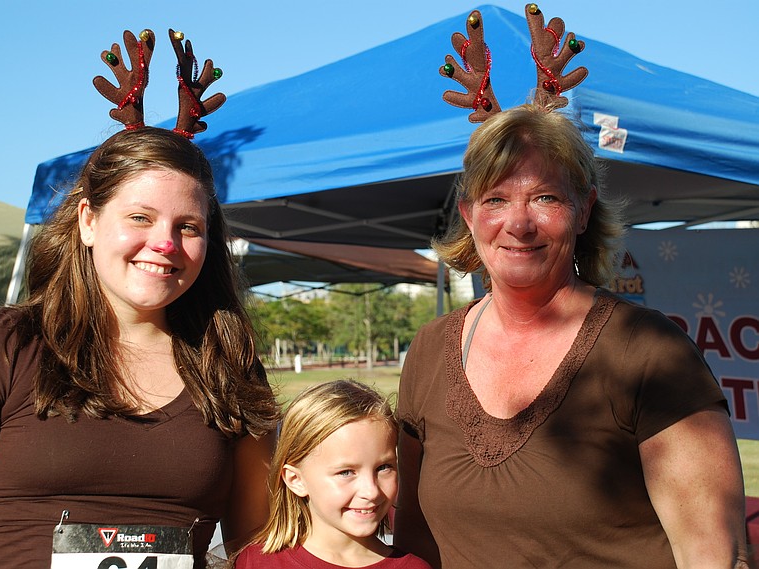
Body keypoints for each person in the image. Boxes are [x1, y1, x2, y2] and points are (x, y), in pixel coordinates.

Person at [393, 104, 748, 568]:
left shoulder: (646, 351)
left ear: (584, 211)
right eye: (495, 199)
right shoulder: (430, 349)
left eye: (545, 198)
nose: (518, 224)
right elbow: (411, 538)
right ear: (469, 215)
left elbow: (716, 555)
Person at [0, 126, 280, 568]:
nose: (165, 243)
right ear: (88, 220)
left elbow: (255, 552)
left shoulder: (230, 369)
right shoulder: (0, 349)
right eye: (140, 218)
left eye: (188, 226)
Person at [233, 380, 431, 569]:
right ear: (296, 480)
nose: (371, 491)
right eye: (346, 472)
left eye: (383, 468)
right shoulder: (256, 562)